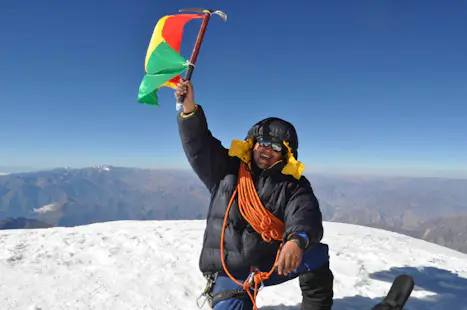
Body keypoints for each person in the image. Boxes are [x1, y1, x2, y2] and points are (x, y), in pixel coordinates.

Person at [175, 79, 334, 310]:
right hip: (230, 269)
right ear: (253, 143)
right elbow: (199, 145)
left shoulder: (292, 184)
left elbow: (304, 211)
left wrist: (296, 240)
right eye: (263, 141)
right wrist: (189, 109)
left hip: (268, 260)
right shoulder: (225, 169)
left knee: (315, 253)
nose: (267, 149)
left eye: (276, 147)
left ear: (285, 155)